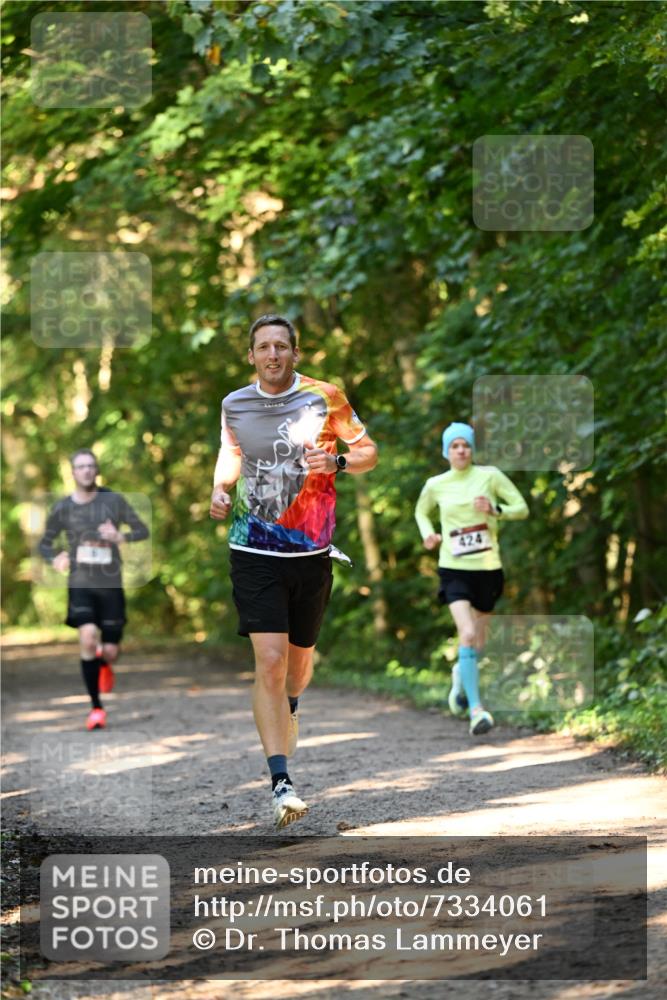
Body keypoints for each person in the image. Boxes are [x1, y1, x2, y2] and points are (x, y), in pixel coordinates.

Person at [210, 314, 378, 830]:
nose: (273, 354)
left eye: (281, 346)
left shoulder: (326, 397)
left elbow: (368, 452)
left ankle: (292, 705)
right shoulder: (234, 404)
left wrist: (339, 464)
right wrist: (219, 489)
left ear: (295, 353)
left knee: (298, 667)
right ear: (252, 356)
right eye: (264, 347)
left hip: (310, 553)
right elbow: (230, 453)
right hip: (252, 549)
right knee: (270, 660)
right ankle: (281, 783)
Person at [415, 422, 528, 735]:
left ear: (472, 449)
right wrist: (428, 534)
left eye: (465, 445)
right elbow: (421, 512)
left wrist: (495, 509)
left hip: (488, 568)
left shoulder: (490, 476)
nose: (461, 450)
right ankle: (477, 711)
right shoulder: (436, 484)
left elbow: (521, 508)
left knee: (478, 641)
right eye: (455, 446)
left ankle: (460, 676)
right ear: (446, 452)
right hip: (453, 568)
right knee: (466, 633)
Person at [38, 449, 149, 731]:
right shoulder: (63, 508)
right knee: (88, 639)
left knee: (110, 651)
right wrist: (56, 557)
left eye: (90, 466)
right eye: (81, 466)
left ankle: (104, 662)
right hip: (80, 583)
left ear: (96, 470)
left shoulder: (113, 501)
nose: (86, 470)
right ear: (73, 472)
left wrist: (120, 536)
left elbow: (142, 530)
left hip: (110, 584)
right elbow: (44, 544)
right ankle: (96, 708)